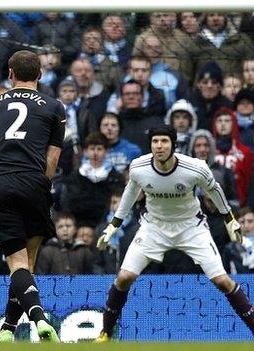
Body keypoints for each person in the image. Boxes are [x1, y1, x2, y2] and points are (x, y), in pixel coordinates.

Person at [94, 125, 254, 341]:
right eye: (155, 142)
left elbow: (214, 190)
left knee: (223, 281)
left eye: (164, 141)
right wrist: (114, 224)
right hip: (154, 227)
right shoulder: (139, 167)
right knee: (123, 278)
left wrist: (230, 219)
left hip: (191, 227)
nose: (159, 146)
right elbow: (130, 193)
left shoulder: (195, 168)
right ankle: (105, 334)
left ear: (173, 145)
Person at [0, 50, 63, 343]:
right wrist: (37, 185)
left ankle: (35, 320)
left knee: (17, 263)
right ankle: (9, 328)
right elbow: (52, 160)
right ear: (40, 74)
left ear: (10, 74)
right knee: (28, 261)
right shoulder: (54, 107)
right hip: (34, 183)